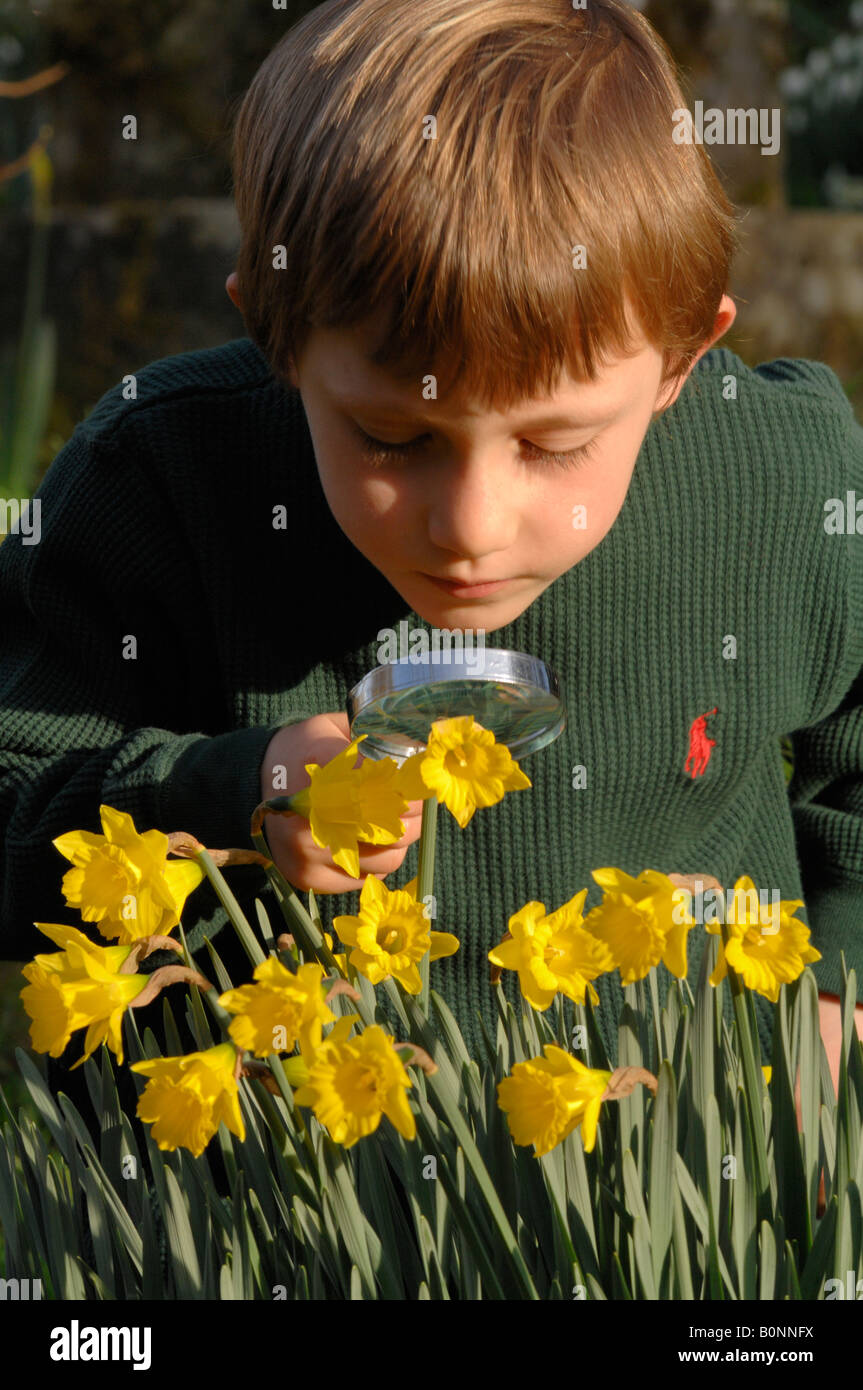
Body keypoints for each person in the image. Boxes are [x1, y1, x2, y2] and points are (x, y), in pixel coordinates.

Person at [1, 0, 861, 1133]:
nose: (469, 523)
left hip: (687, 1198)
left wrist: (830, 1012)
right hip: (273, 1219)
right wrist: (234, 791)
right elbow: (20, 808)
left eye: (555, 445)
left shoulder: (783, 485)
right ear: (275, 334)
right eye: (392, 440)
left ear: (680, 359)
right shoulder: (155, 479)